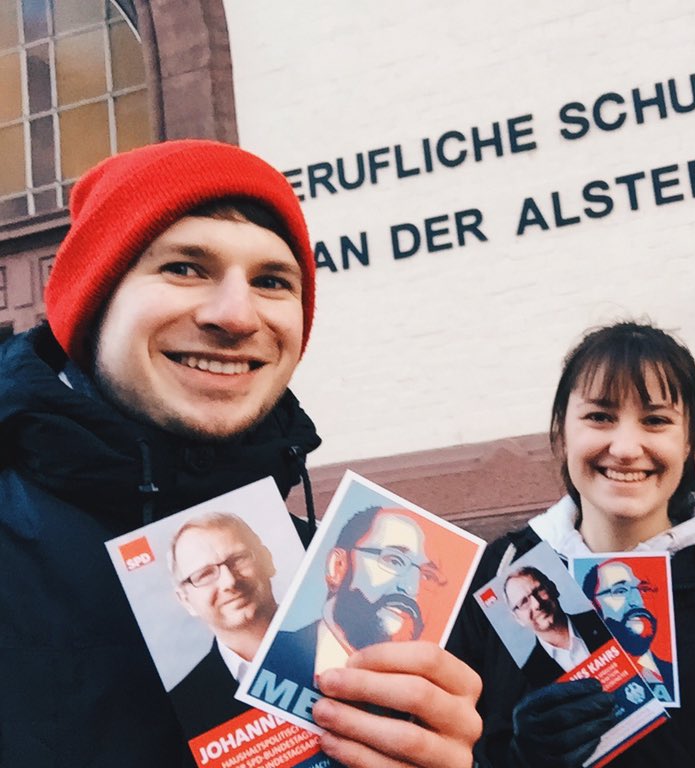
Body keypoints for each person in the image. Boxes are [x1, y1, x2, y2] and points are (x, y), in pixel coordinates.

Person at [0, 139, 481, 768]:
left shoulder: (339, 579)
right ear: (91, 307)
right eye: (184, 267)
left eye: (273, 281)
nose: (236, 315)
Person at [448, 320, 695, 767]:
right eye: (600, 417)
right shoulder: (503, 571)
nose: (627, 447)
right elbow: (447, 745)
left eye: (655, 421)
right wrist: (516, 758)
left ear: (689, 440)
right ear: (561, 432)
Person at [261, 505, 444, 690]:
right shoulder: (264, 657)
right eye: (394, 560)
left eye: (428, 576)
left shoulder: (436, 683)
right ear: (337, 566)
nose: (412, 588)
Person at [168, 512, 279, 737]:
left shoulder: (341, 637)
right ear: (185, 600)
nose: (229, 582)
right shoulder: (182, 705)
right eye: (205, 574)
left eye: (238, 559)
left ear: (268, 560)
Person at [581, 558, 674, 703]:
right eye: (619, 591)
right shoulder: (585, 684)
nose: (638, 600)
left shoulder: (673, 672)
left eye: (644, 589)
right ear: (593, 606)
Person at [502, 565, 611, 682]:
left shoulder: (602, 619)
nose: (537, 604)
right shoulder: (531, 673)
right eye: (523, 602)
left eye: (539, 591)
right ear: (518, 619)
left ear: (553, 588)